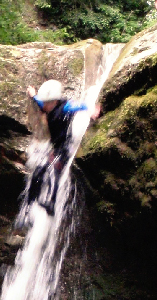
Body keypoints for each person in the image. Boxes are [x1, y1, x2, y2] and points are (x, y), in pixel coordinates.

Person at [24, 79, 101, 215]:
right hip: (55, 146)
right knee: (39, 171)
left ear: (54, 102)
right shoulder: (49, 105)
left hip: (65, 147)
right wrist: (33, 94)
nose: (44, 106)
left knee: (55, 170)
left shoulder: (65, 108)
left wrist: (91, 110)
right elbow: (40, 102)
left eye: (47, 103)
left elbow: (78, 106)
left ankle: (52, 203)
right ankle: (30, 202)